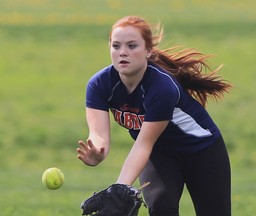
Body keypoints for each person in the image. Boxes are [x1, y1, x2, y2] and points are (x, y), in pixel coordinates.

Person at [77, 15, 232, 216]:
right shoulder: (99, 84)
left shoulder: (162, 87)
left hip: (201, 151)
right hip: (159, 155)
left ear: (148, 51)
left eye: (132, 46)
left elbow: (143, 142)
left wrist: (119, 188)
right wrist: (98, 150)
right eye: (116, 46)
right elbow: (98, 134)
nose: (122, 52)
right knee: (160, 207)